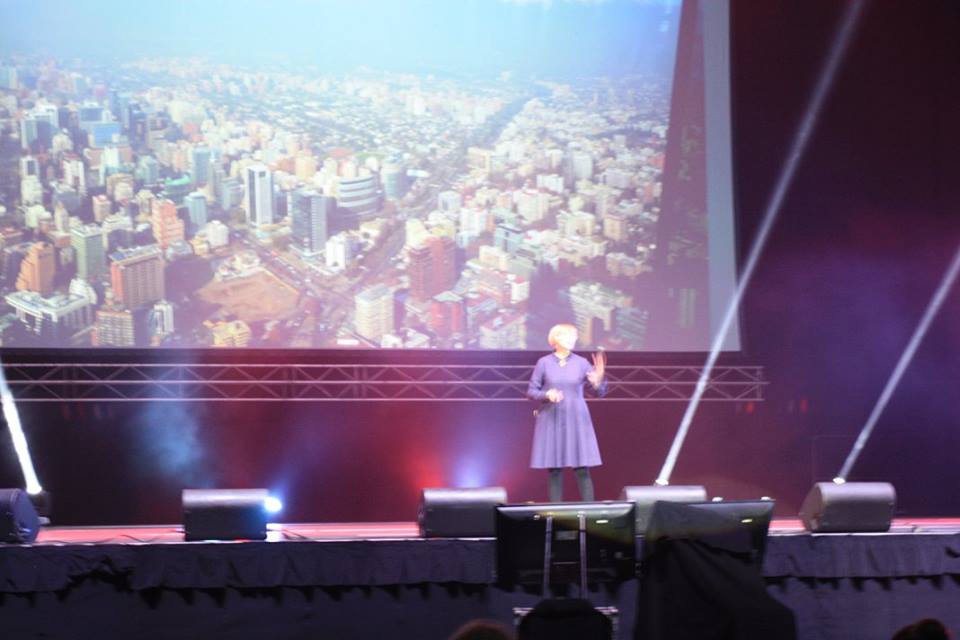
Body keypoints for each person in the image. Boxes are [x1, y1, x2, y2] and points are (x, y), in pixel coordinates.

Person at [527, 323, 607, 501]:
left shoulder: (582, 363)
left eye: (575, 336)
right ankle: (556, 514)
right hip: (552, 418)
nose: (573, 339)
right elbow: (531, 392)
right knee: (555, 470)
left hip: (576, 418)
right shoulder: (544, 363)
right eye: (568, 335)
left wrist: (597, 382)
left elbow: (599, 392)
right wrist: (547, 394)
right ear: (555, 338)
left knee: (582, 468)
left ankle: (589, 512)